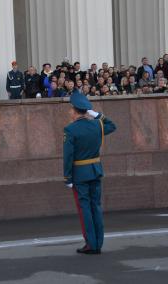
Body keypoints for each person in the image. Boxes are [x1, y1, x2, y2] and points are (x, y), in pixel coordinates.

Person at [63, 93, 116, 254]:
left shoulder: (70, 129)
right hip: (95, 170)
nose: (70, 112)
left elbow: (68, 156)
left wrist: (67, 177)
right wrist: (97, 114)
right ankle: (98, 243)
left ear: (74, 111)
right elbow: (112, 125)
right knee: (96, 207)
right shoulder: (97, 125)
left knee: (85, 208)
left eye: (71, 109)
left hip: (79, 174)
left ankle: (91, 244)